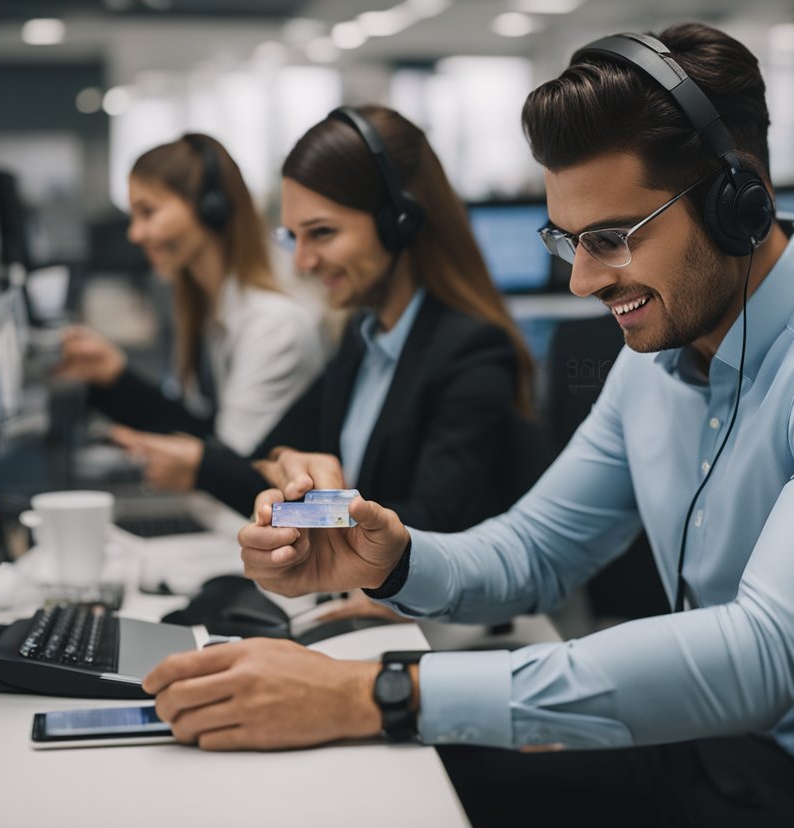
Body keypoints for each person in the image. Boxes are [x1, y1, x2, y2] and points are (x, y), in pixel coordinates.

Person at [142, 24, 794, 828]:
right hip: (705, 751)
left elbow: (762, 655)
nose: (582, 283)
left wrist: (377, 692)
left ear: (734, 203)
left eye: (611, 237)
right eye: (567, 241)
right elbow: (537, 551)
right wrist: (398, 558)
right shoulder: (656, 354)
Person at [109, 106, 540, 536]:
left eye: (322, 233)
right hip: (363, 596)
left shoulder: (471, 350)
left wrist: (298, 509)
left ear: (399, 223)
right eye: (293, 236)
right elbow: (260, 467)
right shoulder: (365, 338)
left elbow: (428, 524)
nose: (301, 261)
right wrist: (273, 490)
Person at [55, 133, 327, 467]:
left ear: (210, 208)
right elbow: (205, 435)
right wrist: (114, 376)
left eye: (148, 212)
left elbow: (228, 463)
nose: (134, 234)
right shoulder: (214, 311)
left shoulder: (273, 325)